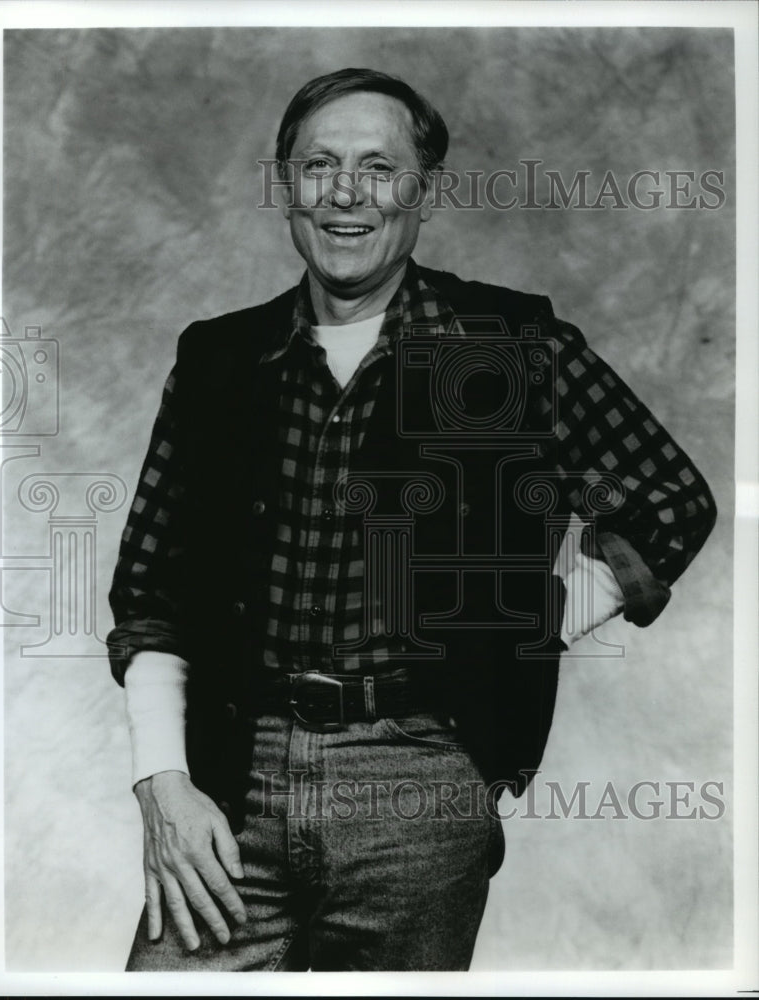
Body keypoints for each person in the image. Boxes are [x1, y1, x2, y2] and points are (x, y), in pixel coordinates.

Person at [106, 68, 717, 972]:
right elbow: (151, 593)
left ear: (422, 192)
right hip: (230, 778)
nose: (346, 192)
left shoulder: (507, 346)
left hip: (421, 786)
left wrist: (530, 622)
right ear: (286, 186)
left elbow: (673, 500)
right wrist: (162, 782)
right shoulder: (218, 360)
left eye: (378, 166)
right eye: (318, 164)